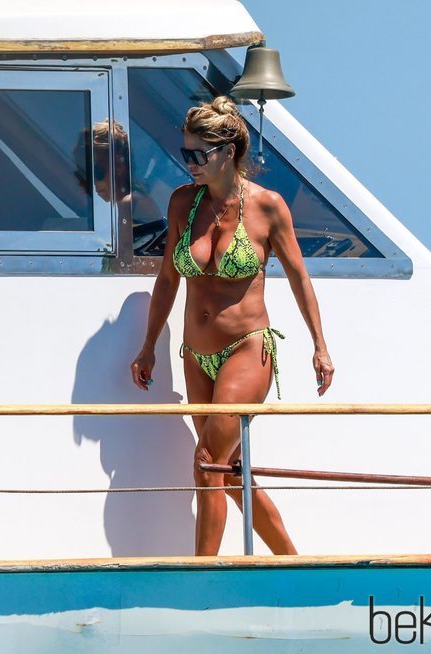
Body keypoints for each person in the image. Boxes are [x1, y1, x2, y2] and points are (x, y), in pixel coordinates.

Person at [129, 96, 335, 556]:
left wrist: (319, 345)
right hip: (196, 353)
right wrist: (148, 346)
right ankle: (292, 562)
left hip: (247, 348)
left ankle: (204, 575)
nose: (190, 164)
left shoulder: (268, 207)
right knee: (231, 471)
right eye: (185, 154)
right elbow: (168, 278)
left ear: (229, 150)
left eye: (199, 155)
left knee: (208, 465)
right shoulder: (184, 201)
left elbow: (300, 278)